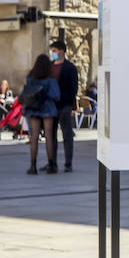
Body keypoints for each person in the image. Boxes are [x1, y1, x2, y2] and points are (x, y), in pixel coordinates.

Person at [20, 54, 60, 175]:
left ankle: (33, 166)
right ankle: (51, 165)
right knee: (49, 137)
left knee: (34, 137)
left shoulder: (31, 77)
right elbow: (56, 95)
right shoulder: (50, 78)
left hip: (34, 108)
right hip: (47, 108)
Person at [49, 39, 79, 172]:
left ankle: (68, 163)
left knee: (67, 134)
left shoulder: (70, 67)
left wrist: (68, 103)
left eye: (54, 51)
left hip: (64, 105)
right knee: (51, 135)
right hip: (51, 105)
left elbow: (74, 87)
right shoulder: (49, 66)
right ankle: (52, 162)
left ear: (62, 51)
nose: (52, 53)